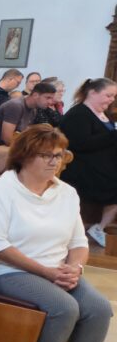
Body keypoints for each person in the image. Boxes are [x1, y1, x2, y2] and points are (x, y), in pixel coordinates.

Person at [0, 126, 111, 342]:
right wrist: (48, 273)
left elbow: (78, 242)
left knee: (99, 308)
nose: (54, 162)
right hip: (3, 269)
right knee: (64, 307)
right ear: (24, 157)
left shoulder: (67, 193)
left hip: (55, 270)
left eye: (58, 155)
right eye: (45, 155)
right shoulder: (2, 190)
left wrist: (74, 269)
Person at [59, 78, 117, 248]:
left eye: (113, 96)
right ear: (92, 93)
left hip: (102, 166)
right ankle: (95, 228)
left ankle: (99, 227)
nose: (111, 100)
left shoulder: (103, 114)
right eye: (108, 95)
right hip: (82, 168)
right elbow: (80, 143)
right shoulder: (78, 114)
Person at [0, 82, 58, 146]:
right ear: (35, 95)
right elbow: (7, 139)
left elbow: (23, 134)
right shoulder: (15, 105)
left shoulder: (33, 109)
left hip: (12, 147)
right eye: (48, 98)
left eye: (52, 98)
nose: (50, 102)